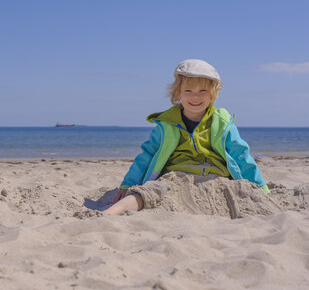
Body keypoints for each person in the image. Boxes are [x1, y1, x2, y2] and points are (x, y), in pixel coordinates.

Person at [104, 59, 270, 215]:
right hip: (175, 178)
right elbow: (147, 156)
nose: (195, 96)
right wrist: (128, 183)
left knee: (238, 197)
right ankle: (108, 214)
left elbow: (241, 155)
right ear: (178, 94)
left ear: (213, 94)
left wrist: (261, 187)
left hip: (216, 178)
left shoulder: (222, 123)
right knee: (147, 193)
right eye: (188, 91)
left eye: (203, 91)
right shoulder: (167, 124)